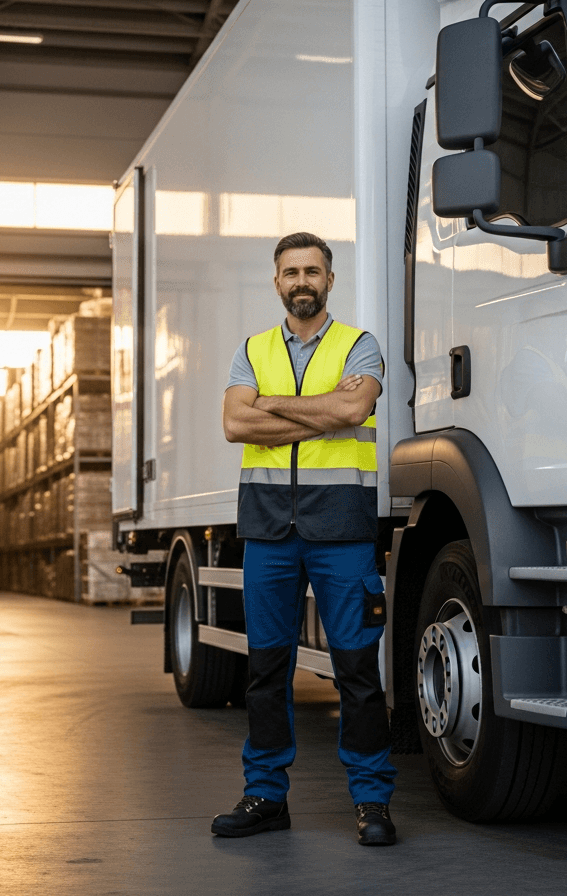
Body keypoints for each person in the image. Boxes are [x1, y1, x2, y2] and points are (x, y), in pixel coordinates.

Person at [212, 231, 397, 846]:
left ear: (329, 280)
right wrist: (313, 406)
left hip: (341, 528)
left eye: (312, 271)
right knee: (266, 670)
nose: (301, 281)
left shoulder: (359, 345)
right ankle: (265, 795)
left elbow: (352, 413)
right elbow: (235, 423)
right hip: (268, 530)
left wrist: (272, 406)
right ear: (276, 282)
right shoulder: (253, 348)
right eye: (290, 272)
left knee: (357, 671)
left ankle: (372, 802)